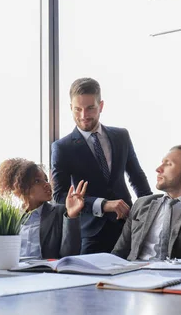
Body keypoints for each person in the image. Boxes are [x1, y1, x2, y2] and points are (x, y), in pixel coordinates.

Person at [51, 77, 152, 254]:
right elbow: (60, 195)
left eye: (90, 108)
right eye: (78, 109)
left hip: (128, 227)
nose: (84, 115)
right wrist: (103, 204)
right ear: (70, 108)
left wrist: (151, 211)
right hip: (91, 233)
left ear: (101, 106)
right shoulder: (62, 148)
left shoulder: (121, 136)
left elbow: (137, 177)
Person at [113, 145, 181, 260]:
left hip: (175, 277)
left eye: (168, 164)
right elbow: (117, 255)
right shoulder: (141, 204)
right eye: (162, 163)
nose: (158, 169)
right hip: (132, 276)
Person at [0, 158, 86, 259]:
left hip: (45, 272)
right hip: (15, 271)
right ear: (21, 187)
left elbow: (69, 255)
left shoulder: (60, 212)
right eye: (37, 181)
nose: (47, 184)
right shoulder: (11, 219)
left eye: (46, 180)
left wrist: (72, 216)